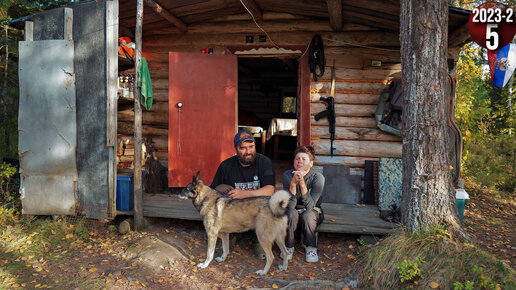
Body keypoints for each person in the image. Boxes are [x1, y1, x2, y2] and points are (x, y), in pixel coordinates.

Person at [210, 130, 276, 258]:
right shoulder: (226, 166)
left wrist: (245, 194)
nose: (248, 151)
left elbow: (270, 190)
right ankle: (229, 234)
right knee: (221, 190)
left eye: (251, 147)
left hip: (258, 210)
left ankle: (261, 240)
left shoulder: (264, 162)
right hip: (236, 211)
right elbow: (213, 193)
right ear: (236, 149)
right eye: (243, 148)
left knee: (270, 204)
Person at [282, 145, 325, 262]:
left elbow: (311, 206)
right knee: (291, 213)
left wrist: (301, 184)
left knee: (308, 215)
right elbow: (290, 205)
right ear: (294, 162)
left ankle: (311, 248)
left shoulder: (318, 177)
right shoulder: (287, 175)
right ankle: (289, 246)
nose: (300, 161)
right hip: (293, 210)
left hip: (312, 212)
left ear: (311, 163)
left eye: (304, 159)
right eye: (297, 159)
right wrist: (292, 184)